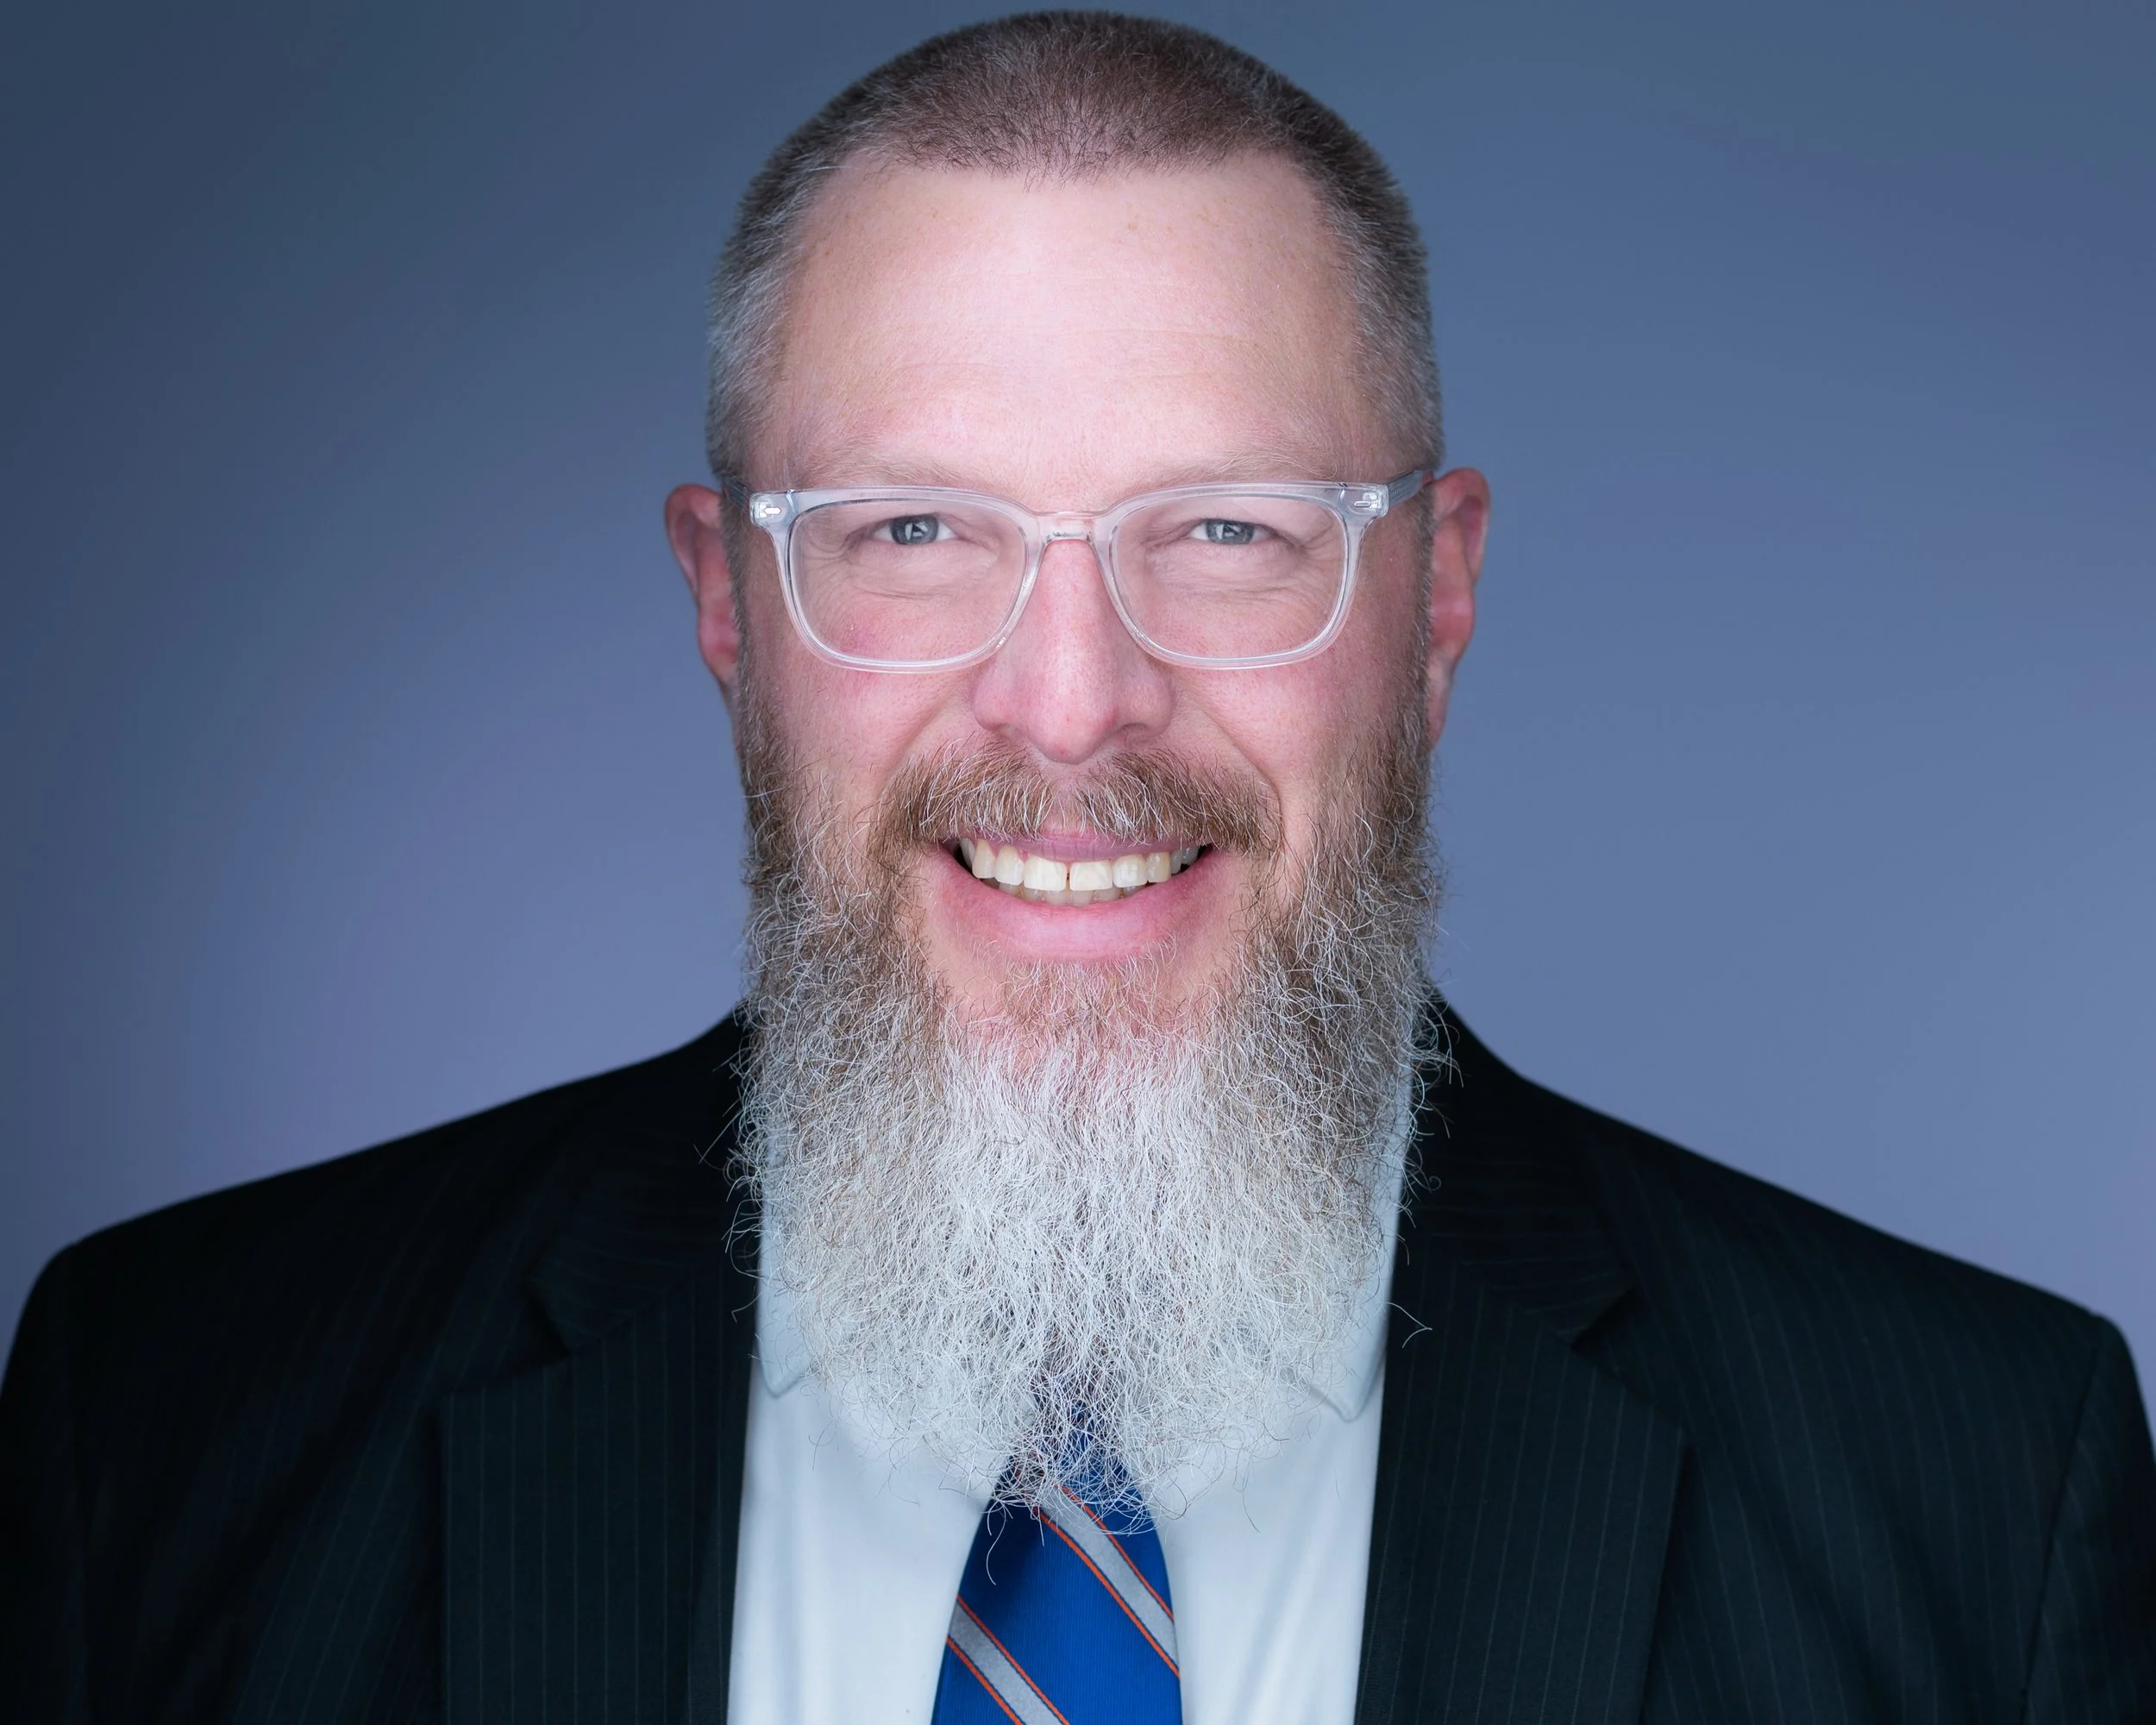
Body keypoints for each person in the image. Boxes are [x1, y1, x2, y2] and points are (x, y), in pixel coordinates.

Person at [3, 12, 2150, 1722]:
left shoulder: (1975, 1490)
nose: (1064, 704)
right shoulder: (174, 1423)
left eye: (1224, 529)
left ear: (1438, 596)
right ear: (725, 610)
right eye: (912, 533)